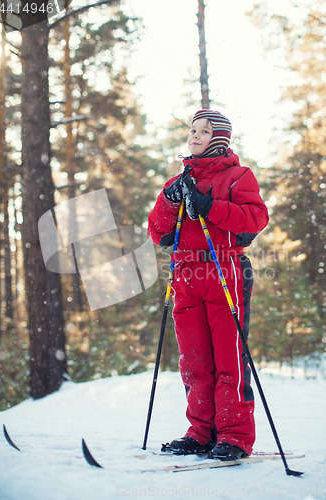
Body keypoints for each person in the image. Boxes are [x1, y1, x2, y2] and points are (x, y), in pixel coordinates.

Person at [147, 109, 269, 460]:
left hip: (225, 269)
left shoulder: (237, 177)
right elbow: (160, 233)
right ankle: (201, 432)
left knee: (228, 359)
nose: (194, 136)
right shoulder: (177, 182)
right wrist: (171, 202)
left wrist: (209, 206)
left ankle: (234, 436)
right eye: (193, 130)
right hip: (186, 275)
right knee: (195, 361)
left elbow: (254, 220)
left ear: (219, 139)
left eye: (204, 131)